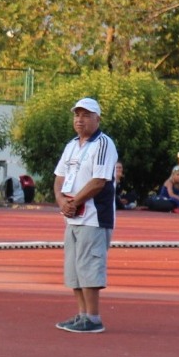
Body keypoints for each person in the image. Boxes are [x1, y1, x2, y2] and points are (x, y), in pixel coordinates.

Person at [52, 97, 118, 334]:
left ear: (97, 118)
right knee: (75, 268)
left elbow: (99, 180)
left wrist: (75, 201)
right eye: (77, 115)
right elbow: (59, 176)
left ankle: (93, 317)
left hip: (94, 217)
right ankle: (82, 314)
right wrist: (61, 200)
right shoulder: (71, 145)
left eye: (86, 115)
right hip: (72, 216)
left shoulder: (103, 144)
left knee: (90, 265)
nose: (80, 119)